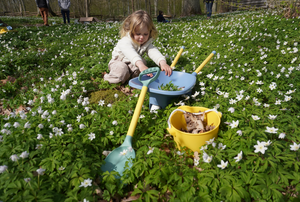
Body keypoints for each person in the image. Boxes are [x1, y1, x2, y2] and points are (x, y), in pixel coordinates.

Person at [104, 10, 172, 84]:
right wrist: (141, 65)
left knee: (142, 68)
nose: (142, 37)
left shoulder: (146, 42)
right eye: (138, 34)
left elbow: (153, 51)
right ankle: (109, 80)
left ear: (150, 31)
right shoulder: (125, 41)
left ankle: (129, 76)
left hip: (133, 63)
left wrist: (162, 63)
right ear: (131, 31)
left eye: (145, 34)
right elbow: (131, 53)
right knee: (122, 70)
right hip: (118, 61)